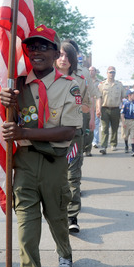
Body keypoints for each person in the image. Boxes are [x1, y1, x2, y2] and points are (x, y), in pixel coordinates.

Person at [0, 25, 82, 267]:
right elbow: (8, 122)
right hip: (24, 164)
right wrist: (5, 102)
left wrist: (25, 133)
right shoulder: (16, 86)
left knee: (58, 218)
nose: (36, 52)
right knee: (26, 234)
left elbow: (68, 131)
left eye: (44, 47)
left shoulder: (68, 87)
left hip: (53, 163)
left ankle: (65, 251)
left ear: (55, 52)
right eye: (31, 47)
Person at [55, 41, 91, 233]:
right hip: (50, 134)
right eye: (60, 54)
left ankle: (72, 216)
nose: (63, 59)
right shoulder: (46, 77)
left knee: (73, 175)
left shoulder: (80, 79)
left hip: (73, 133)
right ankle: (54, 210)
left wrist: (73, 105)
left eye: (68, 56)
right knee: (52, 175)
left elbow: (86, 105)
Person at [96, 66, 125, 154]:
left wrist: (123, 109)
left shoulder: (119, 85)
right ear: (107, 73)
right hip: (105, 108)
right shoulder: (102, 84)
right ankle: (104, 146)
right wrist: (98, 109)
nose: (112, 74)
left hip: (116, 109)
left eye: (113, 72)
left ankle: (113, 144)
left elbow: (122, 98)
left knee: (115, 128)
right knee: (104, 128)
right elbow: (98, 98)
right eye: (110, 72)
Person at [84, 66, 100, 156]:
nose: (90, 72)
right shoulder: (80, 81)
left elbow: (96, 97)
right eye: (88, 71)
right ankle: (80, 149)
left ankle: (88, 149)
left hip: (90, 109)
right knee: (81, 131)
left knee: (89, 130)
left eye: (92, 70)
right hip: (79, 110)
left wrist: (97, 110)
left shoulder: (97, 84)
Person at [121, 89, 134, 156]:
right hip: (127, 120)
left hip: (133, 121)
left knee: (132, 136)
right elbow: (122, 114)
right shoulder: (125, 104)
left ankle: (133, 150)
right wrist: (123, 122)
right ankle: (126, 146)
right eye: (133, 94)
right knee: (125, 135)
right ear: (129, 95)